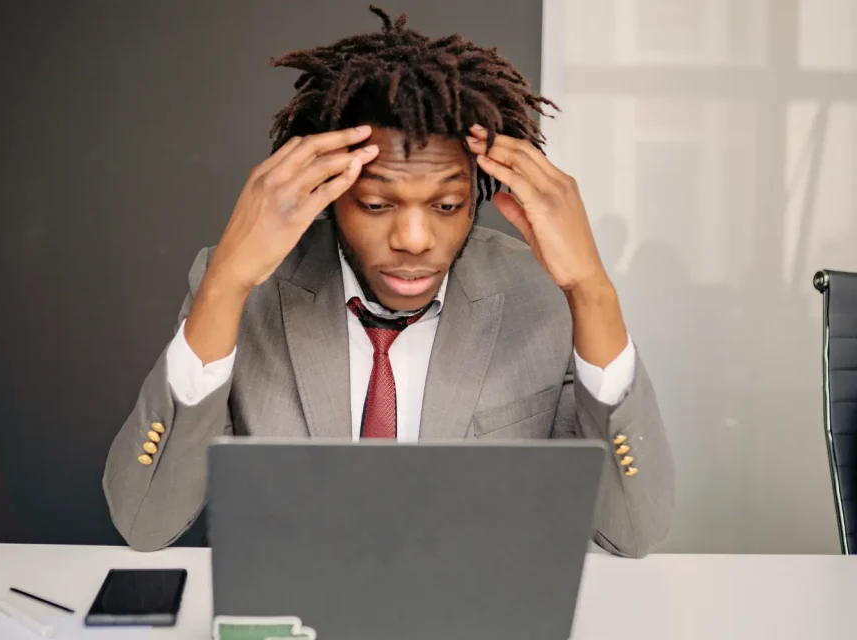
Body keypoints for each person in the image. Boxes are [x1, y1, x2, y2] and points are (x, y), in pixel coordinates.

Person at [103, 6, 674, 557]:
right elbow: (145, 522)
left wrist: (592, 291)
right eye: (377, 203)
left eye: (448, 204)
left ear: (476, 194)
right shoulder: (244, 288)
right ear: (332, 193)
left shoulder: (541, 292)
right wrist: (224, 287)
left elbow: (632, 531)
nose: (415, 238)